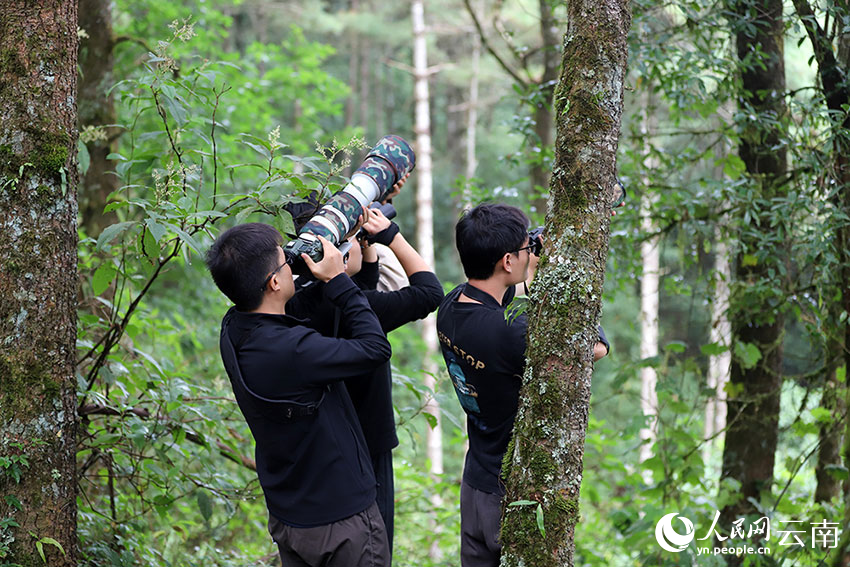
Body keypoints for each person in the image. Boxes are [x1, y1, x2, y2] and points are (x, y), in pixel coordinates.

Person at [205, 223, 391, 567]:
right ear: (274, 282)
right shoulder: (295, 350)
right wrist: (339, 281)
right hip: (341, 524)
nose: (291, 265)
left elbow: (283, 312)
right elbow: (375, 348)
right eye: (284, 263)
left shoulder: (234, 329)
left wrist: (305, 270)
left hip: (290, 517)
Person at [436, 203, 609, 567]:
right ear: (507, 262)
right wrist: (552, 274)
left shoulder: (450, 306)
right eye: (523, 250)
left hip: (475, 482)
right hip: (513, 490)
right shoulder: (512, 331)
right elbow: (595, 347)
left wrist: (524, 257)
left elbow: (500, 303)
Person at [286, 206, 444, 554]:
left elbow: (356, 291)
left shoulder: (291, 301)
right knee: (373, 545)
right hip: (366, 448)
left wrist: (366, 249)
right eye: (354, 238)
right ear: (336, 255)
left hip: (316, 450)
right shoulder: (355, 306)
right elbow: (430, 292)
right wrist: (392, 235)